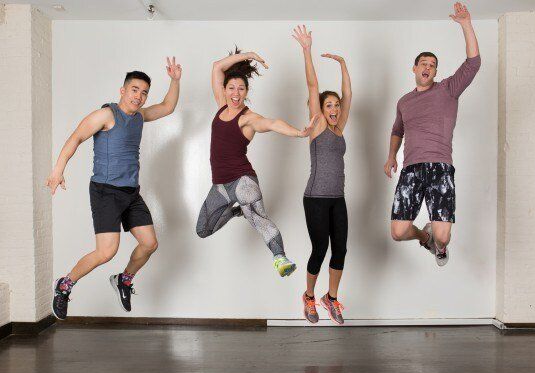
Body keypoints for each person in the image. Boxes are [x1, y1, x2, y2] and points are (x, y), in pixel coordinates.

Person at [47, 57, 183, 320]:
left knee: (149, 243)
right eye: (135, 90)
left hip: (131, 192)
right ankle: (64, 285)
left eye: (144, 93)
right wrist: (58, 169)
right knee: (106, 251)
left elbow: (167, 106)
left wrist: (175, 80)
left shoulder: (140, 117)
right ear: (123, 90)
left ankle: (124, 279)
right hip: (105, 191)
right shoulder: (106, 115)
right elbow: (76, 136)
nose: (139, 96)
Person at [196, 48, 318, 277]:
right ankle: (236, 212)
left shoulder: (248, 119)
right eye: (231, 87)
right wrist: (248, 55)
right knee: (202, 229)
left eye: (241, 89)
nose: (235, 92)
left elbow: (272, 123)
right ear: (224, 89)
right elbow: (216, 67)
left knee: (259, 219)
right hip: (220, 185)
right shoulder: (221, 105)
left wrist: (300, 133)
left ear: (246, 92)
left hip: (243, 180)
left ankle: (280, 258)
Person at [384, 2, 481, 266]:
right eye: (423, 63)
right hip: (411, 169)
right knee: (398, 231)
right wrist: (391, 156)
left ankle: (437, 241)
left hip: (440, 168)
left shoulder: (448, 89)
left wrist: (466, 24)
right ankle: (425, 240)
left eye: (433, 65)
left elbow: (473, 63)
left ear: (435, 72)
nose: (428, 67)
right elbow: (397, 130)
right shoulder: (404, 101)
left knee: (444, 236)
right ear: (414, 69)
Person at [293, 25, 352, 325]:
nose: (334, 108)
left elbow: (349, 94)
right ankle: (309, 296)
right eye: (329, 105)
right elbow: (312, 86)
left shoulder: (339, 130)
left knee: (340, 249)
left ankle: (331, 298)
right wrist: (307, 50)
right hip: (315, 198)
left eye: (336, 105)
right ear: (320, 109)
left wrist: (342, 65)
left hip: (337, 198)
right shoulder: (316, 126)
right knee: (320, 248)